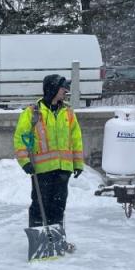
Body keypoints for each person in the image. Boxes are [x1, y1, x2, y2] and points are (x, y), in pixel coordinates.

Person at [13, 74, 84, 231]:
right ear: (52, 88)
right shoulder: (33, 112)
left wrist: (78, 164)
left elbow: (76, 139)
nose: (66, 90)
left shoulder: (68, 113)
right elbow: (21, 138)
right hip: (41, 170)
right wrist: (24, 162)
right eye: (62, 87)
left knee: (58, 206)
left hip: (63, 170)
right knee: (40, 206)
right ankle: (39, 240)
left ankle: (55, 238)